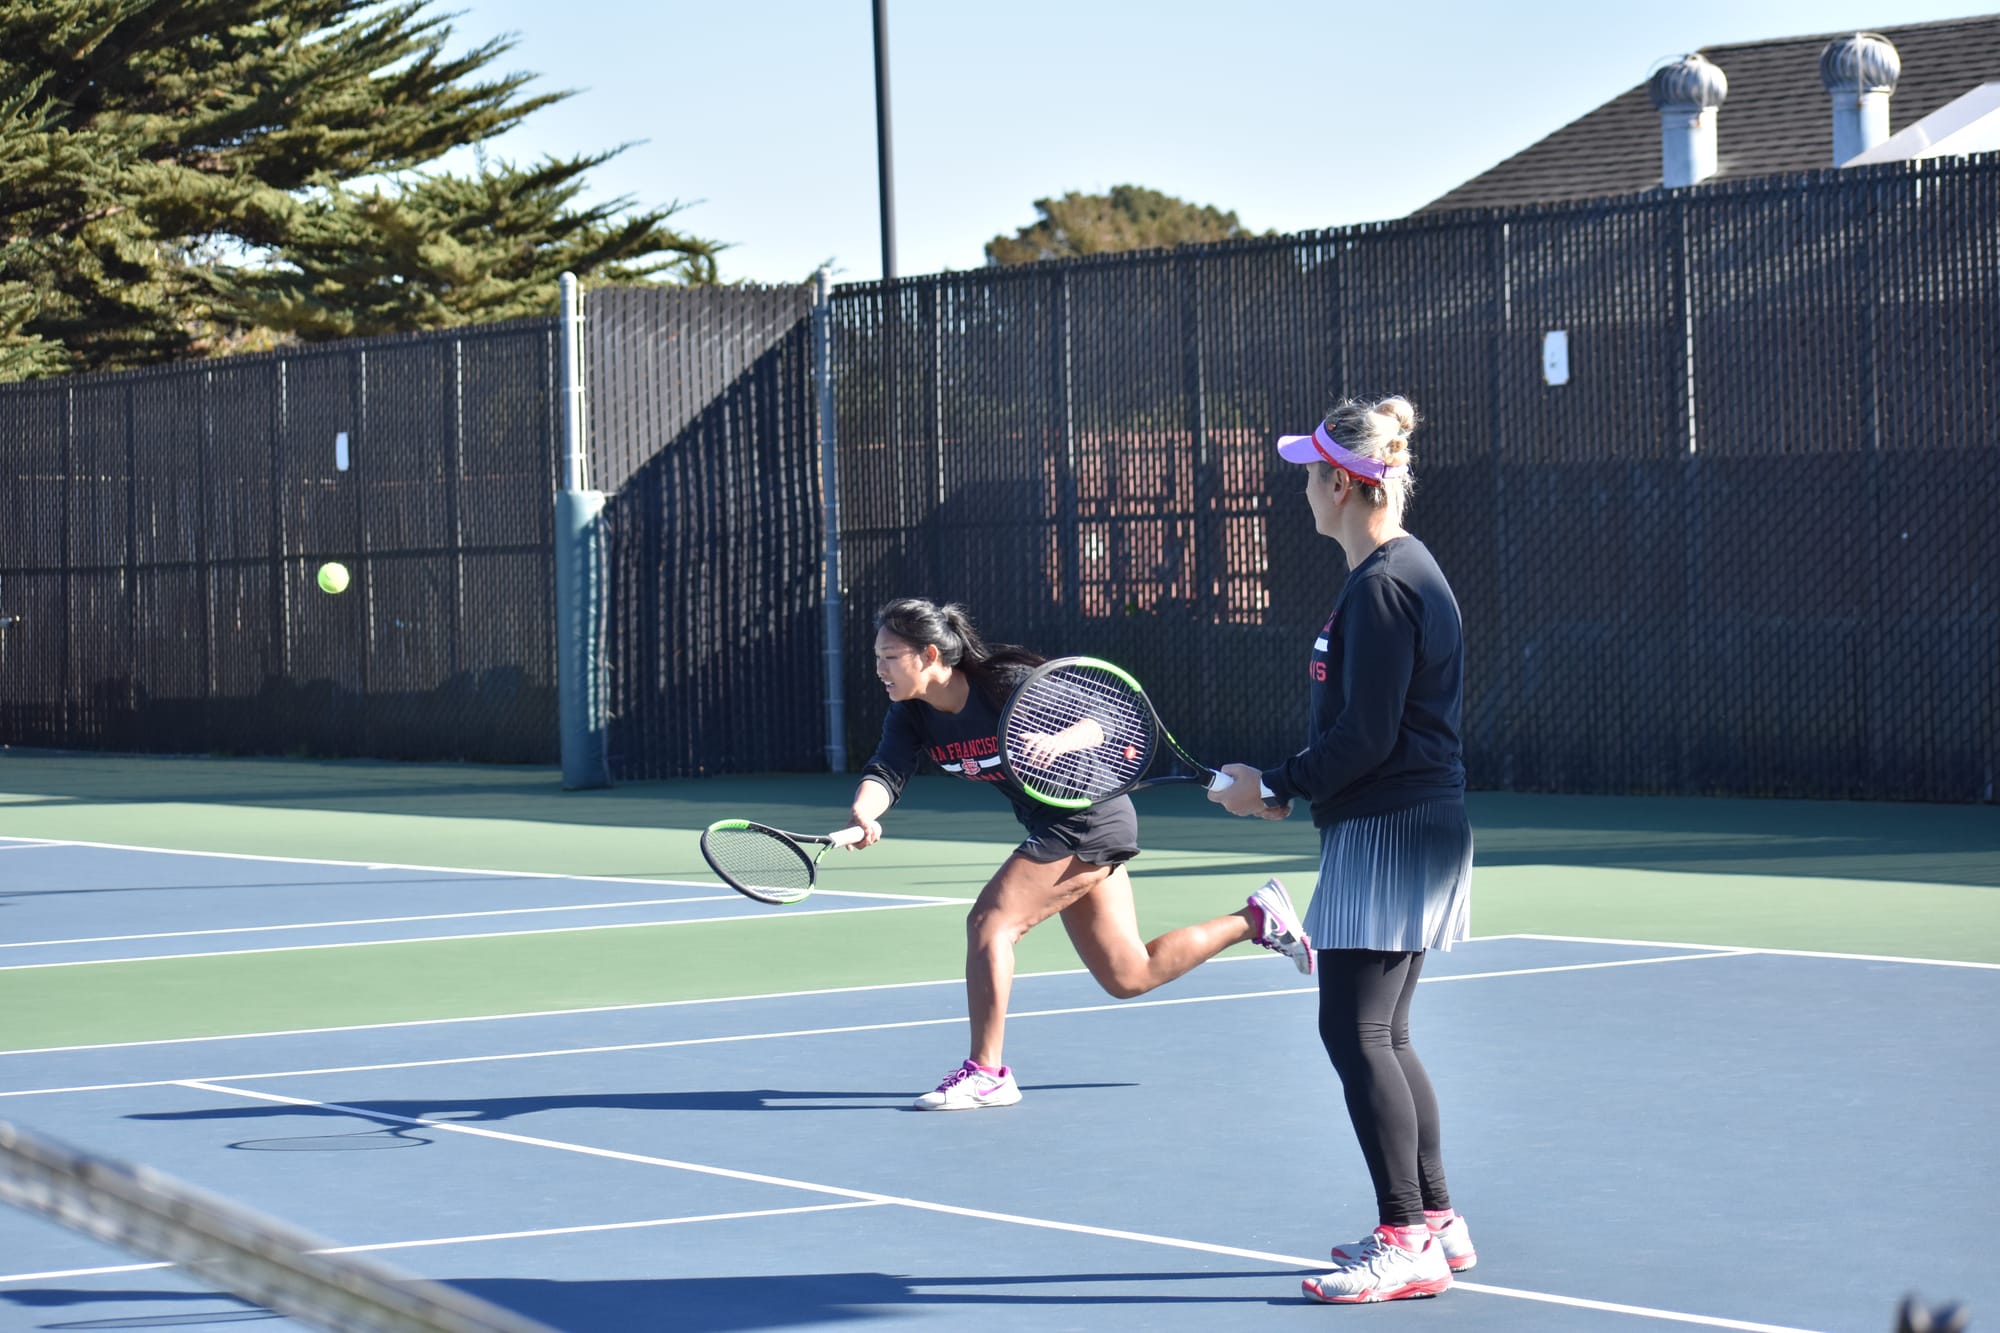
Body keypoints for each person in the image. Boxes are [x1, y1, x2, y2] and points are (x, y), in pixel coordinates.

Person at [1209, 396, 1475, 1304]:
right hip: (1405, 821)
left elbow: (1365, 735)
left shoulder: (1386, 584)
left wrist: (1276, 785)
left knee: (1352, 1027)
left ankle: (1405, 1238)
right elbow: (1369, 734)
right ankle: (1435, 1220)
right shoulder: (1396, 572)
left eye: (1308, 476)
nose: (1302, 493)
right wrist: (1290, 786)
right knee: (1385, 1030)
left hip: (1395, 828)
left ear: (1343, 484)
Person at [846, 596, 1313, 1111]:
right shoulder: (911, 716)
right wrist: (866, 812)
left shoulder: (1004, 684)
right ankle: (1257, 919)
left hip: (1089, 819)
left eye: (889, 656)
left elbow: (1106, 719)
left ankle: (987, 1072)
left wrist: (1059, 742)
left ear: (930, 655)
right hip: (1056, 825)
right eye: (877, 657)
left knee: (989, 924)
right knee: (1129, 974)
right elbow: (886, 771)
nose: (878, 669)